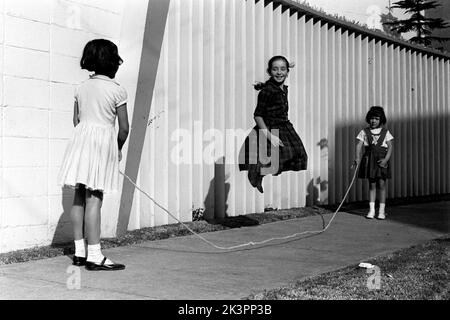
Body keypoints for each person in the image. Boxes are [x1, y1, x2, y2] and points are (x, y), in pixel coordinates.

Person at [58, 39, 129, 271]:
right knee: (94, 198)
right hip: (101, 146)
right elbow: (125, 128)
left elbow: (76, 121)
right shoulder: (117, 89)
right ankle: (95, 255)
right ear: (113, 62)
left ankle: (79, 252)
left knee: (79, 195)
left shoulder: (81, 87)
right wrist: (117, 147)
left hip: (80, 142)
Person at [239, 55, 308, 193]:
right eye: (275, 69)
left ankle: (259, 173)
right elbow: (257, 115)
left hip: (284, 126)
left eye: (283, 69)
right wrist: (270, 136)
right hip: (269, 127)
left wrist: (288, 65)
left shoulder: (281, 88)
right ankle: (256, 173)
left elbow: (279, 75)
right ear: (269, 71)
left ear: (288, 72)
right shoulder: (267, 92)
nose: (279, 72)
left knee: (299, 155)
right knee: (275, 158)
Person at [353, 106, 393, 220]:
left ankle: (381, 211)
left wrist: (385, 160)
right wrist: (357, 157)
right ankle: (371, 210)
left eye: (376, 118)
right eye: (371, 118)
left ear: (381, 120)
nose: (373, 121)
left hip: (381, 161)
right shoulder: (364, 132)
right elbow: (359, 145)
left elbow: (390, 147)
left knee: (382, 185)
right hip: (369, 161)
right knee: (372, 185)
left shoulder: (386, 132)